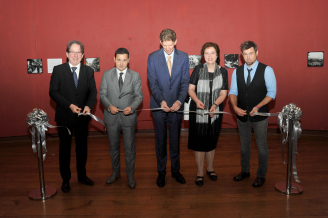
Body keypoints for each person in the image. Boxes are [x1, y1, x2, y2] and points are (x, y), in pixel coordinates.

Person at [49, 40, 97, 193]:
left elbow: (93, 92)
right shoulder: (58, 70)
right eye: (72, 52)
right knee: (65, 149)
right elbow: (53, 92)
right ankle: (66, 180)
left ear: (83, 55)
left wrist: (89, 106)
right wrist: (69, 105)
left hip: (83, 117)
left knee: (82, 148)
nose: (75, 55)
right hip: (64, 116)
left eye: (78, 52)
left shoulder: (89, 71)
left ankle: (82, 176)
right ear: (67, 54)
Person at [229, 41, 277, 187]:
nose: (248, 57)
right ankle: (245, 171)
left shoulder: (267, 70)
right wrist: (235, 106)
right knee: (244, 145)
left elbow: (272, 93)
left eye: (251, 53)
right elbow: (232, 92)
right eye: (245, 54)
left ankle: (261, 175)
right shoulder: (237, 71)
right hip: (242, 115)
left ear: (257, 52)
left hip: (260, 115)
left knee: (261, 146)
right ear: (242, 55)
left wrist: (258, 106)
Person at [147, 29, 190, 187]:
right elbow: (153, 83)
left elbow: (185, 81)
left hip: (177, 106)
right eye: (164, 45)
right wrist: (161, 101)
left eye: (170, 45)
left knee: (175, 140)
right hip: (159, 106)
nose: (167, 48)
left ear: (176, 41)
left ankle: (176, 170)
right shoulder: (152, 57)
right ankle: (161, 172)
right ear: (160, 42)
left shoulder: (184, 57)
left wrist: (180, 101)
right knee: (160, 140)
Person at [99, 48, 143, 189]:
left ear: (128, 60)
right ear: (114, 59)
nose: (121, 63)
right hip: (111, 117)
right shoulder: (106, 74)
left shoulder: (135, 76)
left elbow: (139, 96)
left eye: (124, 60)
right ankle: (115, 172)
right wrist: (109, 106)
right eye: (119, 59)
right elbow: (102, 95)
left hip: (128, 117)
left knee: (130, 148)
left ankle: (130, 176)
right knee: (114, 148)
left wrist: (132, 107)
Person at [188, 42, 228, 186]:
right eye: (206, 53)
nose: (209, 56)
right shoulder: (198, 69)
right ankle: (200, 172)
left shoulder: (223, 71)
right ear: (203, 56)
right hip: (198, 112)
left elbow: (224, 93)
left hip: (215, 112)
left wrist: (215, 105)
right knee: (199, 143)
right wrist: (197, 100)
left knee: (211, 141)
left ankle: (210, 168)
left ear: (217, 55)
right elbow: (190, 89)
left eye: (212, 53)